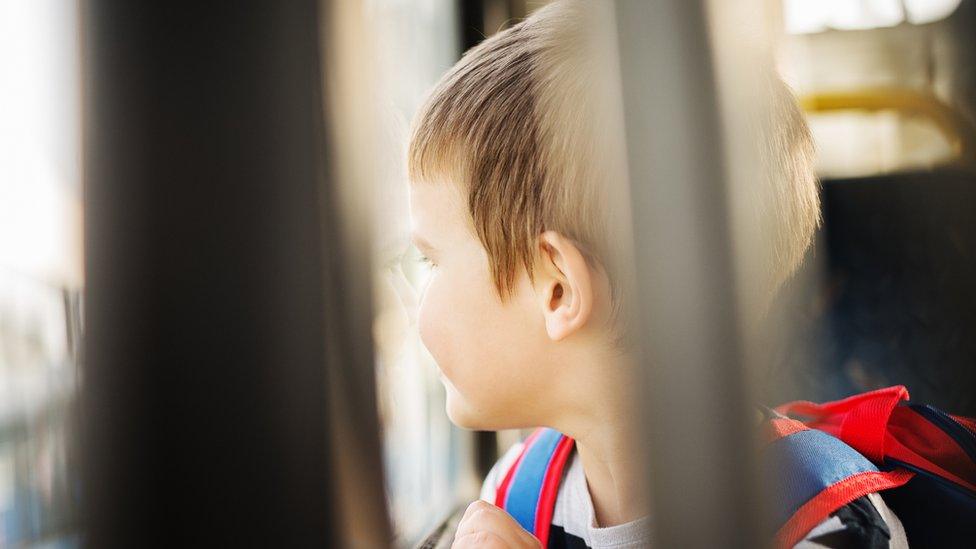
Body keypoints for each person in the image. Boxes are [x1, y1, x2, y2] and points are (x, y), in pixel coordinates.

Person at [404, 1, 906, 547]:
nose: (415, 296)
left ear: (558, 289)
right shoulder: (516, 494)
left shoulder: (826, 523)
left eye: (433, 261)